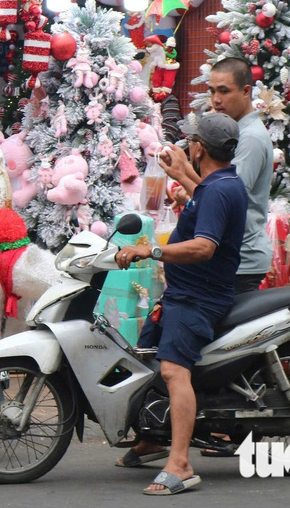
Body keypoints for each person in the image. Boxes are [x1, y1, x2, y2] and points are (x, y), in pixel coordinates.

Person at [114, 113, 248, 496]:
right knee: (147, 356)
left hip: (199, 299)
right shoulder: (219, 183)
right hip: (182, 293)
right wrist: (183, 178)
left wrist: (148, 251)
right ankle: (154, 437)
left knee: (174, 370)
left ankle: (181, 463)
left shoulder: (221, 190)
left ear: (199, 148)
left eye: (191, 142)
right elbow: (204, 193)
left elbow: (204, 247)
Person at [160, 57, 273, 297]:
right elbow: (216, 190)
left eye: (224, 91)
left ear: (246, 91)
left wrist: (184, 175)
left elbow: (225, 201)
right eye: (211, 91)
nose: (216, 100)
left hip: (241, 260)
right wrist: (189, 179)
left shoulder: (249, 138)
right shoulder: (235, 131)